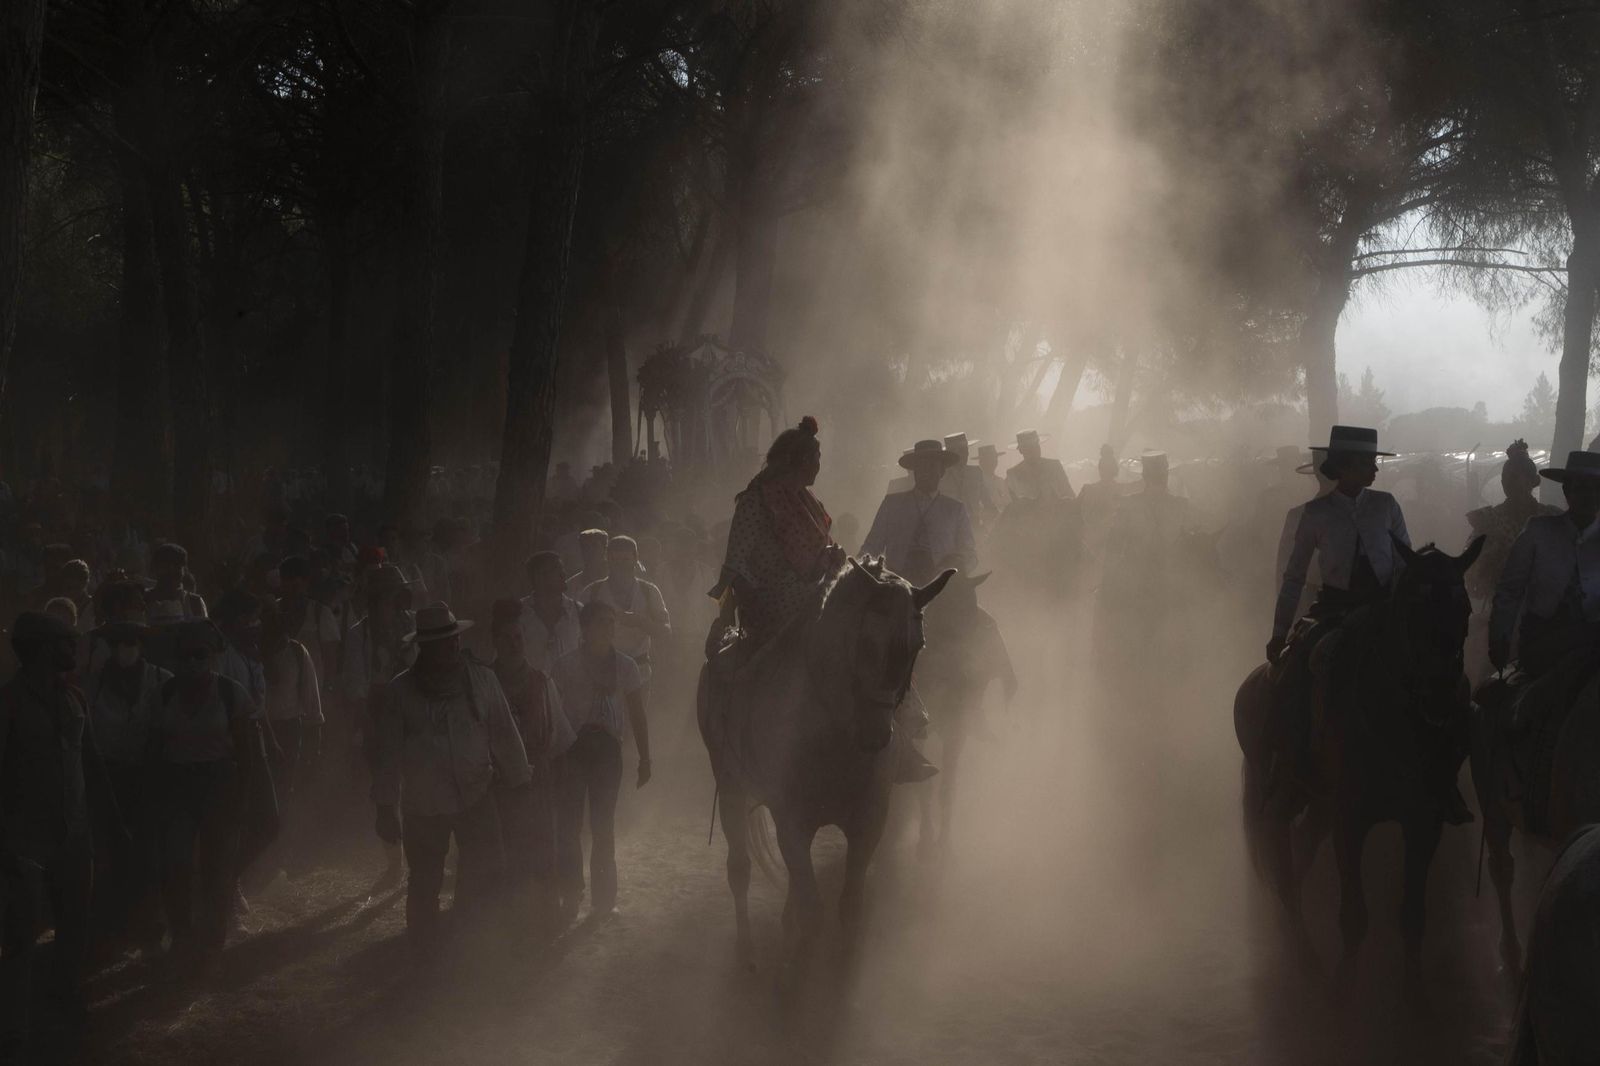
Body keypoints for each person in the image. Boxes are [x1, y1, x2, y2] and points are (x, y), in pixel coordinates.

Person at [371, 602, 530, 957]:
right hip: (424, 805)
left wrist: (520, 783)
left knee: (486, 870)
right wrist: (385, 807)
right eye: (441, 641)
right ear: (424, 646)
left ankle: (474, 947)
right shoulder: (401, 692)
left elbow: (504, 734)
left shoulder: (481, 679)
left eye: (453, 639)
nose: (451, 647)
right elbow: (387, 755)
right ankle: (425, 955)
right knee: (425, 881)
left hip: (476, 792)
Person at [0, 612, 119, 1054]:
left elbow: (91, 762)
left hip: (74, 831)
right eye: (64, 642)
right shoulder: (8, 702)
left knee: (74, 925)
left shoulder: (74, 699)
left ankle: (63, 1002)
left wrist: (111, 822)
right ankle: (13, 1029)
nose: (73, 648)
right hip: (23, 838)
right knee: (20, 935)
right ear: (42, 648)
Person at [150, 618, 271, 975]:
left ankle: (211, 944)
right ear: (176, 659)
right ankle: (182, 938)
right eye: (185, 657)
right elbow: (155, 751)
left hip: (220, 785)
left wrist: (243, 798)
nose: (191, 663)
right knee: (176, 865)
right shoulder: (165, 695)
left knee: (218, 869)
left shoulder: (231, 693)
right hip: (177, 786)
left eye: (199, 656)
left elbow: (246, 754)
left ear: (213, 658)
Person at [551, 600, 651, 922]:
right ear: (585, 626)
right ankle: (571, 891)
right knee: (569, 826)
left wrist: (646, 756)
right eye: (600, 622)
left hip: (608, 751)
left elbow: (637, 713)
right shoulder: (565, 665)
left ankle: (604, 898)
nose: (608, 627)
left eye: (611, 622)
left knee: (602, 826)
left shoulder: (626, 666)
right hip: (573, 750)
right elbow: (552, 713)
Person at [714, 416, 841, 643]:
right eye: (816, 459)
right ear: (800, 461)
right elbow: (734, 565)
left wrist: (832, 556)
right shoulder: (757, 502)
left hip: (814, 591)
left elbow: (822, 549)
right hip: (770, 602)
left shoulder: (809, 502)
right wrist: (748, 602)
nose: (819, 466)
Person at [85, 617, 168, 952]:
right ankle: (112, 922)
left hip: (149, 777)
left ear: (141, 646)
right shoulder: (93, 685)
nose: (125, 650)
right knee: (109, 851)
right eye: (118, 643)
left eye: (131, 642)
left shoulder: (163, 681)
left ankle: (148, 922)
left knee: (149, 851)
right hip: (106, 778)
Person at [489, 600, 573, 924]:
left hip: (537, 781)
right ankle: (505, 919)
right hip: (497, 783)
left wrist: (557, 777)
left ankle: (544, 914)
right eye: (507, 639)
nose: (514, 644)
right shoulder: (484, 682)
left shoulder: (541, 682)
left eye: (518, 638)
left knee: (540, 845)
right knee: (503, 850)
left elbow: (558, 736)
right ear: (495, 643)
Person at [1489, 450, 1600, 681]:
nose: (1588, 495)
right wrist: (1500, 637)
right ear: (1566, 491)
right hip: (1544, 645)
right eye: (1580, 487)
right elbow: (1510, 590)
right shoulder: (1539, 531)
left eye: (1594, 488)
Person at [861, 438, 978, 581]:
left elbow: (969, 553)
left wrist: (953, 567)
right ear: (914, 471)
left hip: (940, 585)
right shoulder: (891, 504)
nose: (926, 472)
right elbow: (872, 546)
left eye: (932, 466)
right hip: (895, 583)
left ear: (941, 471)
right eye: (921, 467)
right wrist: (858, 571)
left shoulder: (956, 509)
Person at [1467, 440, 1561, 605]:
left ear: (1533, 481)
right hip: (1499, 606)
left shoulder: (1551, 518)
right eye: (1507, 478)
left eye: (1518, 477)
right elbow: (1471, 574)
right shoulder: (1488, 521)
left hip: (1547, 609)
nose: (1511, 482)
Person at [577, 536, 670, 688]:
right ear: (607, 558)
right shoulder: (592, 592)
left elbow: (665, 631)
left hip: (640, 670)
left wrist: (641, 622)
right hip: (599, 670)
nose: (620, 564)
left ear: (636, 558)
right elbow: (576, 631)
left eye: (625, 559)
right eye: (616, 559)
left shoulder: (648, 591)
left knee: (637, 712)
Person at [278, 555, 340, 684]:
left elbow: (331, 658)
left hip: (312, 691)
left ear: (306, 583)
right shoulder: (272, 611)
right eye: (288, 583)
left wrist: (329, 687)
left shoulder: (321, 613)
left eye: (297, 585)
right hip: (278, 691)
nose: (293, 591)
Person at [520, 551, 581, 673]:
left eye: (562, 569)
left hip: (570, 688)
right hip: (531, 689)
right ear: (539, 577)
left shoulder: (578, 611)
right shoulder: (519, 613)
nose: (564, 574)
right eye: (556, 570)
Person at [940, 433, 996, 527]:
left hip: (976, 527)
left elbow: (988, 503)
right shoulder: (941, 477)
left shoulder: (976, 472)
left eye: (965, 450)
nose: (964, 454)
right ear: (950, 454)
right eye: (959, 451)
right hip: (951, 529)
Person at [1004, 429, 1074, 502]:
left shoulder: (1054, 466)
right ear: (1021, 451)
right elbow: (1008, 504)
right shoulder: (1013, 474)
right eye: (1029, 448)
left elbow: (1069, 494)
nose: (1033, 450)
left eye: (1035, 446)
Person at [149, 543, 208, 619]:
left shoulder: (195, 603)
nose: (171, 571)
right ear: (156, 569)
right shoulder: (143, 602)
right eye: (165, 566)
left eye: (176, 565)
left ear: (184, 570)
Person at [567, 528, 610, 597]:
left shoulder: (617, 580)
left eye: (594, 545)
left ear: (605, 549)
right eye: (585, 546)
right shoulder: (571, 586)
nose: (590, 550)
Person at [976, 443, 1009, 513]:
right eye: (988, 459)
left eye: (994, 458)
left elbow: (1008, 502)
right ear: (981, 462)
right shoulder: (977, 483)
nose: (992, 462)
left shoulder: (1001, 481)